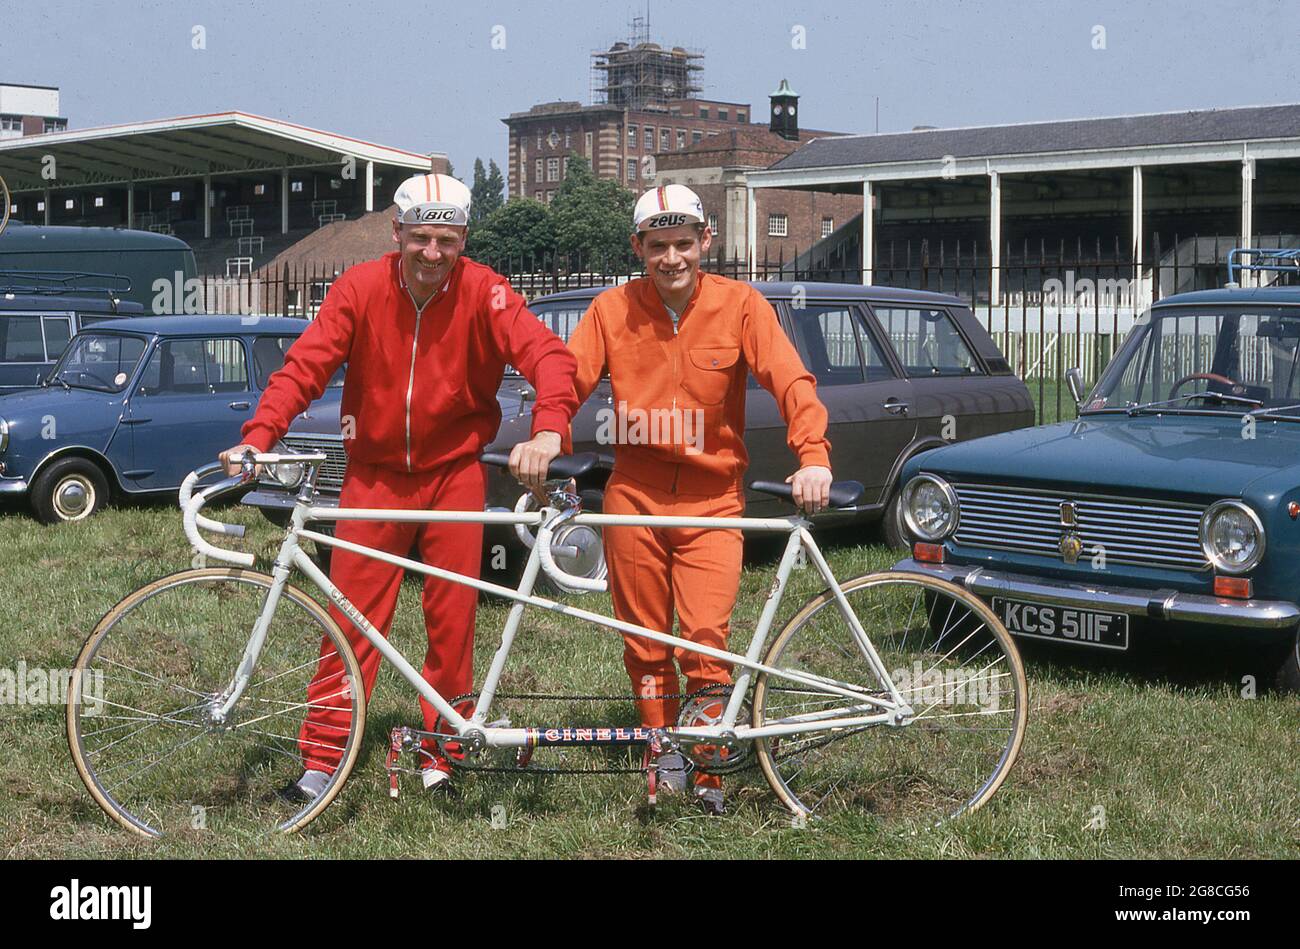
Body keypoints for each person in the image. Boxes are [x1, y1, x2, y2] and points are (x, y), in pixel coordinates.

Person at [219, 172, 578, 798]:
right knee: (350, 619)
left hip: (454, 475)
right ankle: (323, 757)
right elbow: (305, 366)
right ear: (397, 233)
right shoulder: (359, 288)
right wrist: (261, 434)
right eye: (420, 239)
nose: (433, 254)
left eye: (446, 240)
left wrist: (548, 432)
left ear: (463, 238)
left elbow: (549, 356)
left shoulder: (488, 292)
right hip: (375, 477)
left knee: (452, 620)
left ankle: (441, 751)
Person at [564, 184, 833, 814]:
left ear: (705, 242)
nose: (672, 258)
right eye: (657, 246)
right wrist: (547, 429)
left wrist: (813, 455)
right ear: (639, 248)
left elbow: (791, 379)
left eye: (684, 244)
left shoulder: (741, 305)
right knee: (643, 637)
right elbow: (567, 377)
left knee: (707, 637)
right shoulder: (610, 310)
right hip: (633, 494)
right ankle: (663, 752)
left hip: (713, 500)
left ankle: (709, 761)